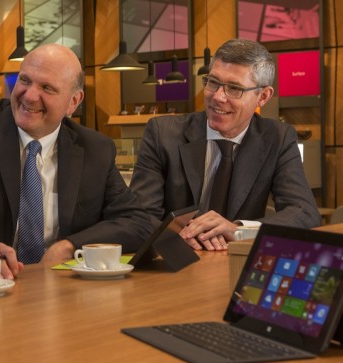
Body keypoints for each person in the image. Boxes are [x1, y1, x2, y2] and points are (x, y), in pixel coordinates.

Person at [0, 43, 153, 285]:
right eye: (24, 80)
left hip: (50, 296)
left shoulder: (95, 149)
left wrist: (69, 247)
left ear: (74, 102)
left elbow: (135, 221)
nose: (30, 96)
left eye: (47, 88)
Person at [129, 38, 321, 252]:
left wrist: (238, 229)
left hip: (237, 263)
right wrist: (188, 236)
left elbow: (305, 213)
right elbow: (139, 216)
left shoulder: (278, 137)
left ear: (263, 96)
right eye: (213, 82)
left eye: (234, 88)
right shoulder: (163, 134)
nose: (218, 97)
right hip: (177, 259)